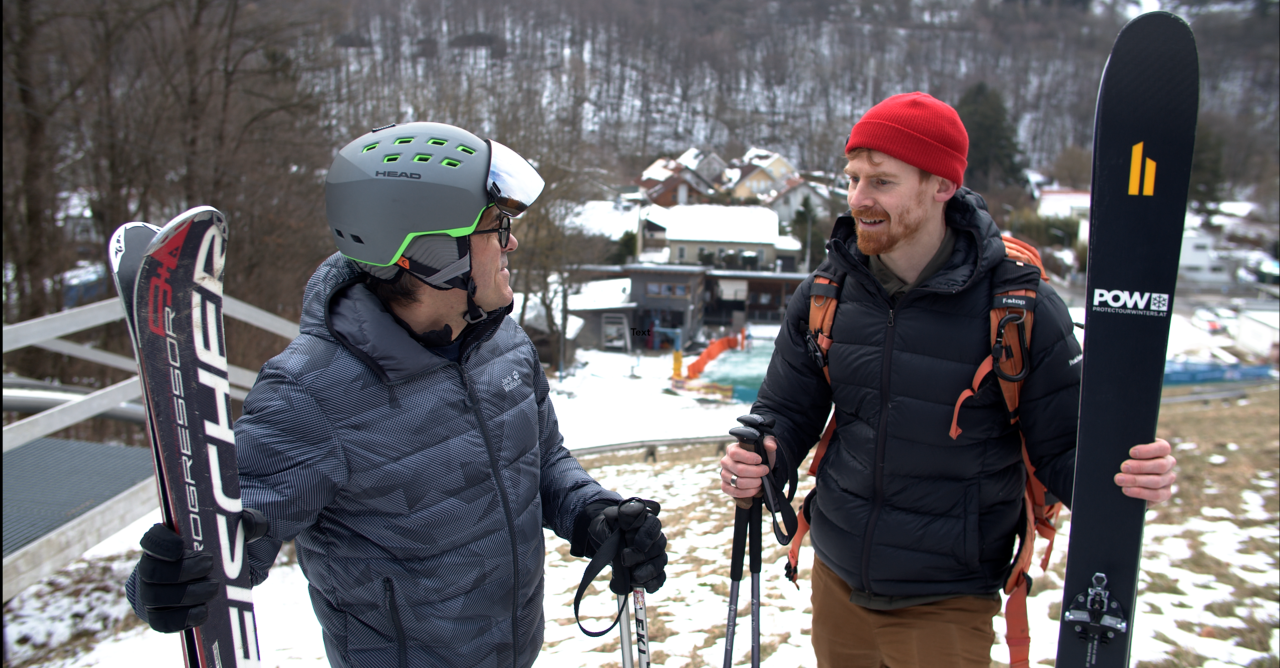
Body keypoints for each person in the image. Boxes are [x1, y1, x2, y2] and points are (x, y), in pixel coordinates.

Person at [124, 122, 668, 668]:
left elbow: (542, 460)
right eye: (496, 227)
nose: (512, 240)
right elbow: (229, 543)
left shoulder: (504, 342)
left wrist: (593, 516)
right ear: (432, 252)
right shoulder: (311, 393)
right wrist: (164, 585)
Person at [718, 93, 1176, 667]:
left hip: (947, 599)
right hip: (835, 579)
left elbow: (1065, 451)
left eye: (881, 182)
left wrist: (1125, 475)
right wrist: (761, 459)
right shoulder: (827, 293)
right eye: (853, 179)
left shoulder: (1019, 308)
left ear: (941, 186)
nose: (859, 199)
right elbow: (787, 412)